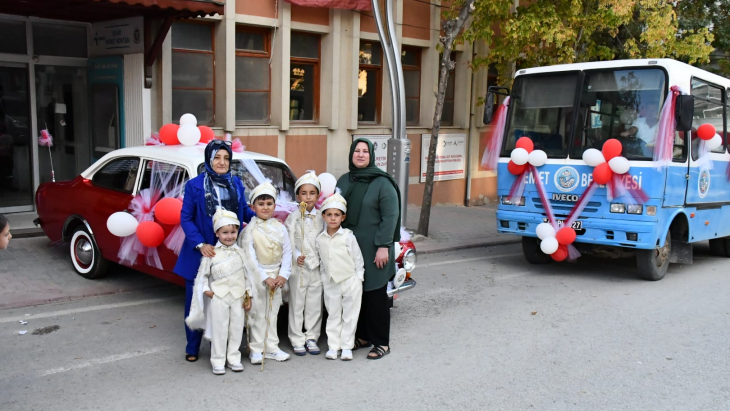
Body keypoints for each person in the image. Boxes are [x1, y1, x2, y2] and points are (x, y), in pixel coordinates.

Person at [175, 140, 256, 363]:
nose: (222, 162)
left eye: (226, 158)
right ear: (209, 160)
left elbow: (244, 211)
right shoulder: (195, 185)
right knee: (197, 298)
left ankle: (220, 347)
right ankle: (192, 346)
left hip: (229, 250)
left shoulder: (236, 183)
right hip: (203, 251)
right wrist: (201, 244)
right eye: (217, 157)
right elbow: (186, 218)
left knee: (226, 298)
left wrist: (262, 216)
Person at [336, 138, 401, 360]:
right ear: (351, 154)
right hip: (350, 248)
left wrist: (384, 246)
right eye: (357, 151)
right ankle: (363, 336)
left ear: (372, 156)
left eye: (365, 151)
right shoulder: (345, 180)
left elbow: (390, 216)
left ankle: (382, 342)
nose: (361, 155)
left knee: (375, 295)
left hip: (375, 248)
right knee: (357, 294)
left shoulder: (383, 183)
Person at [185, 209, 253, 375]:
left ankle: (234, 358)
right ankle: (218, 360)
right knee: (220, 328)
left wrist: (248, 294)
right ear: (217, 233)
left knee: (236, 328)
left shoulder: (241, 253)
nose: (229, 236)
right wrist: (208, 291)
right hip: (219, 296)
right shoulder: (211, 253)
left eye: (233, 232)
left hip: (237, 296)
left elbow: (248, 275)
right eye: (225, 233)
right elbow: (203, 276)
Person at [238, 181, 292, 364]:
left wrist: (283, 275)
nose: (265, 208)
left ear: (274, 206)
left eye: (269, 204)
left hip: (276, 276)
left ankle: (272, 347)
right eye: (261, 204)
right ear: (252, 207)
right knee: (257, 313)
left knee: (273, 312)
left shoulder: (281, 228)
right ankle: (256, 348)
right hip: (258, 277)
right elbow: (250, 258)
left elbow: (287, 253)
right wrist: (264, 277)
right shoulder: (249, 231)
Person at [316, 193, 364, 361]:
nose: (333, 218)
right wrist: (323, 277)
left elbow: (357, 258)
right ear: (324, 216)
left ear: (343, 217)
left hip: (350, 280)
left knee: (350, 315)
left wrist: (359, 278)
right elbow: (322, 261)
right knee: (333, 314)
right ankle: (333, 346)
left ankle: (346, 347)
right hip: (331, 282)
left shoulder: (348, 236)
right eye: (329, 214)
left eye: (337, 215)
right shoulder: (320, 239)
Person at [284, 171, 324, 356]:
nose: (308, 197)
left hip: (316, 267)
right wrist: (297, 255)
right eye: (304, 193)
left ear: (317, 195)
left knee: (314, 303)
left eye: (312, 193)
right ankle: (296, 337)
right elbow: (288, 243)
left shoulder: (323, 218)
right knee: (297, 303)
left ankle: (311, 336)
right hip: (298, 267)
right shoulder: (292, 219)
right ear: (298, 195)